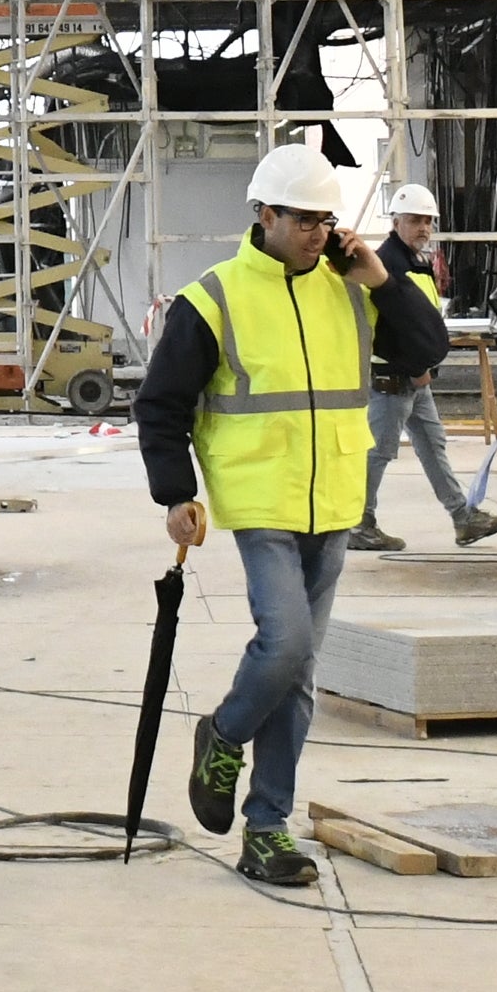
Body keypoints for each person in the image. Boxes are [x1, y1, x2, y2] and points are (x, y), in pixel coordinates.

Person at [138, 142, 419, 890]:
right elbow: (160, 405)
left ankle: (267, 829)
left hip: (333, 502)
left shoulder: (351, 289)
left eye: (327, 221)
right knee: (287, 643)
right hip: (259, 497)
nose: (317, 234)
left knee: (297, 672)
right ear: (264, 215)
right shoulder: (216, 296)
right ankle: (225, 733)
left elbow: (426, 348)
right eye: (303, 219)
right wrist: (177, 493)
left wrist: (382, 279)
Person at [342, 182, 497, 554]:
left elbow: (421, 320)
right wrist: (417, 365)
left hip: (415, 379)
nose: (424, 228)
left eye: (428, 222)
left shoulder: (417, 262)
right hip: (394, 378)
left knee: (433, 447)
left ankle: (463, 518)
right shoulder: (385, 264)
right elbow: (384, 328)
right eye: (416, 220)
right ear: (396, 220)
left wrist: (424, 369)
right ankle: (359, 523)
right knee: (379, 453)